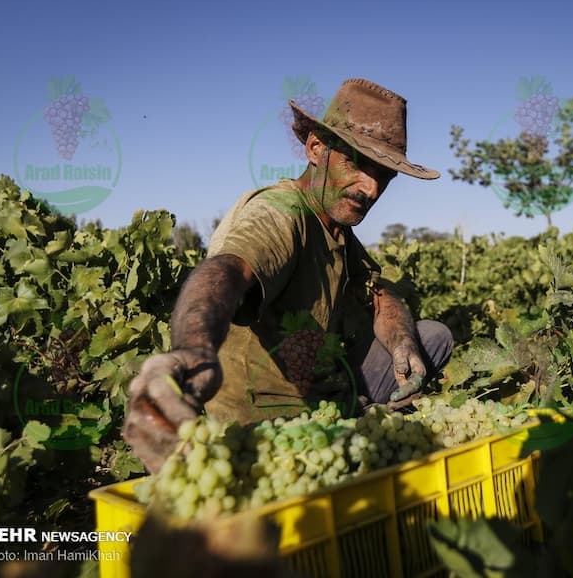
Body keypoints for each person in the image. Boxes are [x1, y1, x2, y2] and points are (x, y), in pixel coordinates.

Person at [123, 78, 454, 472]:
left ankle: (360, 419)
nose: (371, 188)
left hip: (324, 394)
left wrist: (402, 343)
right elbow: (227, 271)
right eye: (357, 163)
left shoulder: (337, 230)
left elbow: (379, 292)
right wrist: (193, 349)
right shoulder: (281, 213)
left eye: (384, 175)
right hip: (265, 421)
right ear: (316, 148)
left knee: (431, 336)